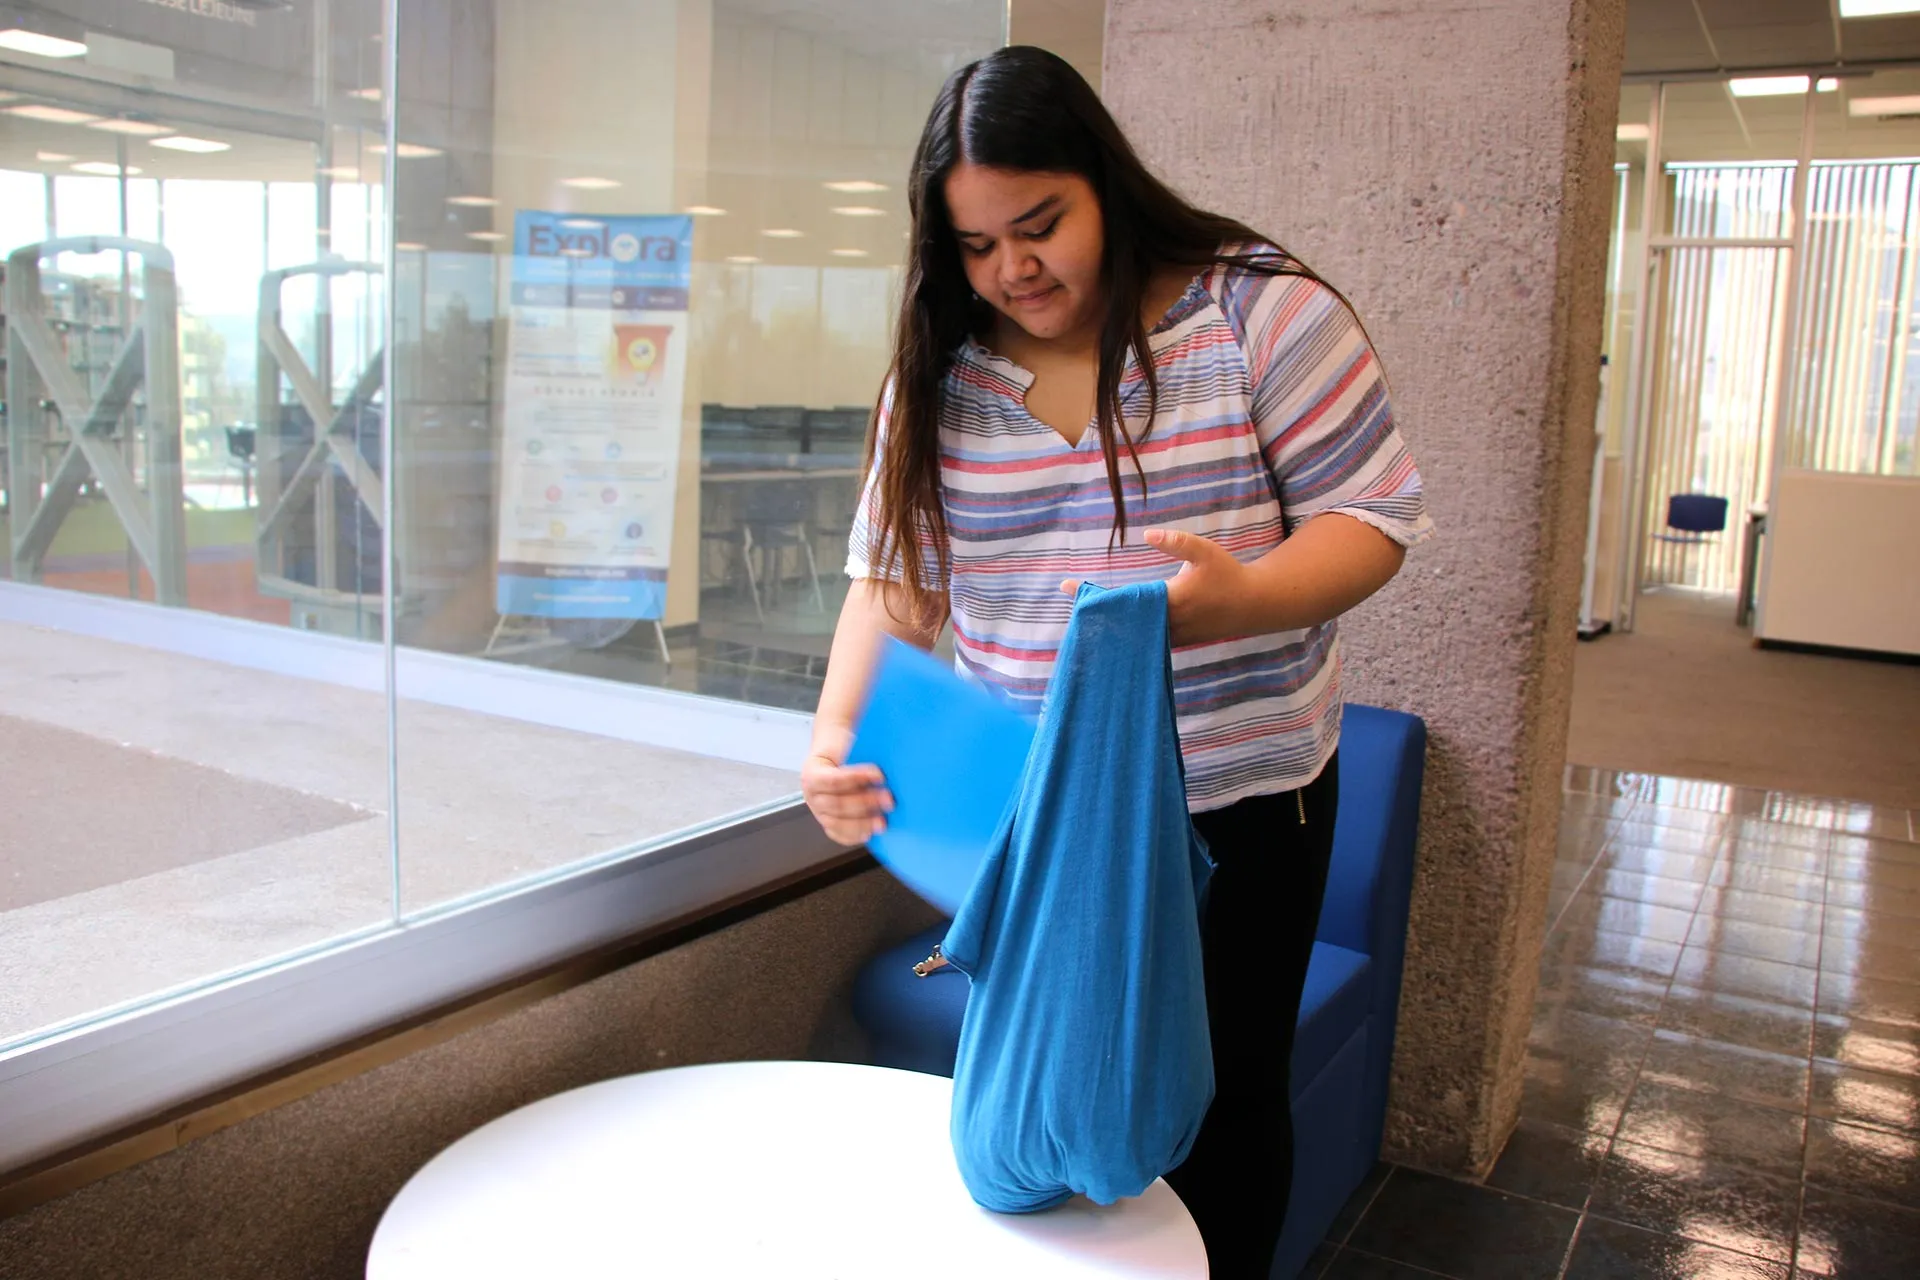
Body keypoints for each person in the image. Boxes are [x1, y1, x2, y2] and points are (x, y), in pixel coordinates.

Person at [800, 45, 1433, 1279]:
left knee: (1223, 1103)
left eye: (1039, 225)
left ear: (1106, 181)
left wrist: (1246, 597)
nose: (1013, 269)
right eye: (976, 245)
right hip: (1036, 822)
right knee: (1041, 1101)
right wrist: (832, 736)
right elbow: (896, 576)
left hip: (1243, 802)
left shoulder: (1259, 313)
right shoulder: (940, 375)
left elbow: (1374, 519)